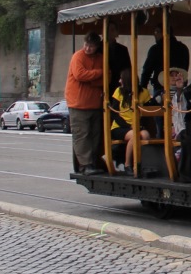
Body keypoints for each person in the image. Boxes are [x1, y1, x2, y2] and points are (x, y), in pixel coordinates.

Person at [65, 31, 105, 175]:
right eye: (86, 45)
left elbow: (107, 76)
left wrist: (93, 77)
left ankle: (93, 161)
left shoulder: (101, 58)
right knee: (81, 135)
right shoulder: (78, 56)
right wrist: (98, 74)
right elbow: (79, 75)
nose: (88, 48)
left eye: (92, 46)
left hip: (94, 104)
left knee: (95, 135)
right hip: (78, 103)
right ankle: (85, 164)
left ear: (97, 47)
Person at [110, 68, 154, 173]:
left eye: (121, 79)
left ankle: (142, 163)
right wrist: (129, 126)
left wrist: (140, 124)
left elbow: (147, 111)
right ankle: (128, 164)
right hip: (120, 127)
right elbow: (114, 113)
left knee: (145, 135)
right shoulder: (118, 92)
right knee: (135, 136)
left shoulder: (143, 92)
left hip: (137, 125)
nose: (119, 81)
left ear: (127, 80)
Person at [138, 27, 190, 99]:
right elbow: (185, 68)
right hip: (179, 86)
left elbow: (147, 71)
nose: (154, 35)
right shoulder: (183, 48)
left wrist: (142, 90)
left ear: (163, 33)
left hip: (160, 87)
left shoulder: (156, 49)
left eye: (156, 32)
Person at [105, 24, 131, 96]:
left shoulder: (123, 49)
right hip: (101, 85)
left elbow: (127, 69)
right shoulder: (98, 48)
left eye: (112, 30)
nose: (109, 32)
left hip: (118, 84)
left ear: (117, 33)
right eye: (107, 30)